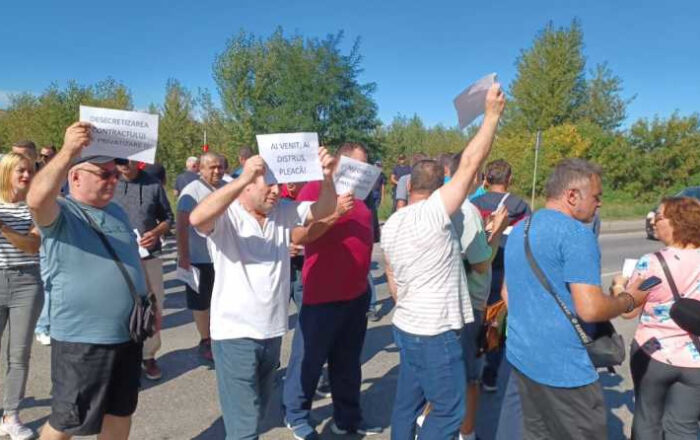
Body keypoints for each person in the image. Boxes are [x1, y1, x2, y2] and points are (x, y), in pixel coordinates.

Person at [381, 83, 505, 439]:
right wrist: (491, 116)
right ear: (440, 189)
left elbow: (390, 273)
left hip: (406, 325)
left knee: (407, 405)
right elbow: (470, 163)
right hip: (434, 332)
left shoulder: (392, 223)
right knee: (450, 412)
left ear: (410, 187)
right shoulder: (434, 213)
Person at [188, 148, 337, 440]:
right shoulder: (226, 215)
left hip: (272, 331)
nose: (276, 191)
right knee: (244, 428)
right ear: (246, 185)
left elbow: (323, 210)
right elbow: (196, 218)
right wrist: (243, 177)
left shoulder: (282, 211)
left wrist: (328, 178)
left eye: (278, 184)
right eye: (268, 184)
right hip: (235, 335)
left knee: (256, 413)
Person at [502, 158, 648, 440]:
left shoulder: (521, 229)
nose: (600, 203)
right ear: (572, 195)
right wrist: (629, 299)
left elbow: (507, 292)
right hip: (567, 371)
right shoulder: (576, 235)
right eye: (596, 197)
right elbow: (590, 309)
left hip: (524, 360)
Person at [27, 122, 153, 440]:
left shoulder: (117, 212)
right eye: (104, 174)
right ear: (75, 177)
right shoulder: (62, 213)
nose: (113, 180)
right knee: (66, 422)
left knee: (120, 412)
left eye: (115, 174)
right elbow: (36, 199)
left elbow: (133, 259)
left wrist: (150, 300)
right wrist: (68, 151)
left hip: (127, 335)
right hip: (82, 340)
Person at [284, 142, 380, 439]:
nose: (362, 172)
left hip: (356, 294)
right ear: (339, 164)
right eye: (357, 166)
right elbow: (300, 235)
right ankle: (296, 414)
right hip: (322, 293)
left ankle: (347, 418)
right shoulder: (315, 189)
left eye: (366, 166)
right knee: (308, 359)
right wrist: (335, 214)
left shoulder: (363, 196)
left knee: (348, 362)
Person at [615, 196, 700, 439]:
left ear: (676, 222)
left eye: (659, 217)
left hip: (654, 354)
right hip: (695, 358)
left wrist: (619, 286)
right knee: (683, 427)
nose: (653, 221)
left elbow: (629, 311)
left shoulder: (652, 264)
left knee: (647, 420)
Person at [450, 156, 510, 440]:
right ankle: (467, 433)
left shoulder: (434, 206)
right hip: (469, 302)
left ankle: (426, 423)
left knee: (443, 370)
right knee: (468, 376)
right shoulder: (467, 209)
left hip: (444, 300)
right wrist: (497, 231)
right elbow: (481, 263)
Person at [471, 158, 530, 392]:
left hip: (479, 268)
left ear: (486, 179)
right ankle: (490, 375)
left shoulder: (474, 204)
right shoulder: (520, 206)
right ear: (509, 179)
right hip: (507, 271)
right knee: (497, 322)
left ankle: (470, 369)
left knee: (475, 318)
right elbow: (527, 240)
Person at [113, 159, 174, 380]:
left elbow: (168, 218)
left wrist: (156, 233)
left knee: (154, 305)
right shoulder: (108, 181)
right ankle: (121, 357)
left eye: (128, 160)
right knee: (119, 307)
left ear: (137, 160)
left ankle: (149, 356)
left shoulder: (153, 185)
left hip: (149, 256)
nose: (123, 165)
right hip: (117, 257)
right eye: (119, 160)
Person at [0, 153, 42, 440]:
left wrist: (3, 228)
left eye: (30, 171)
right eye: (21, 171)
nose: (27, 175)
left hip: (27, 283)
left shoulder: (35, 208)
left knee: (19, 354)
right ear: (6, 172)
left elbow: (32, 246)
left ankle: (11, 416)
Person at [176, 152, 224, 362]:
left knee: (221, 300)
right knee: (201, 303)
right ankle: (205, 340)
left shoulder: (227, 187)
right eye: (212, 167)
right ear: (201, 169)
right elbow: (181, 226)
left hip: (223, 257)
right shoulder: (191, 191)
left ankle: (221, 337)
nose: (217, 171)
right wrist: (184, 256)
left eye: (220, 167)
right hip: (198, 257)